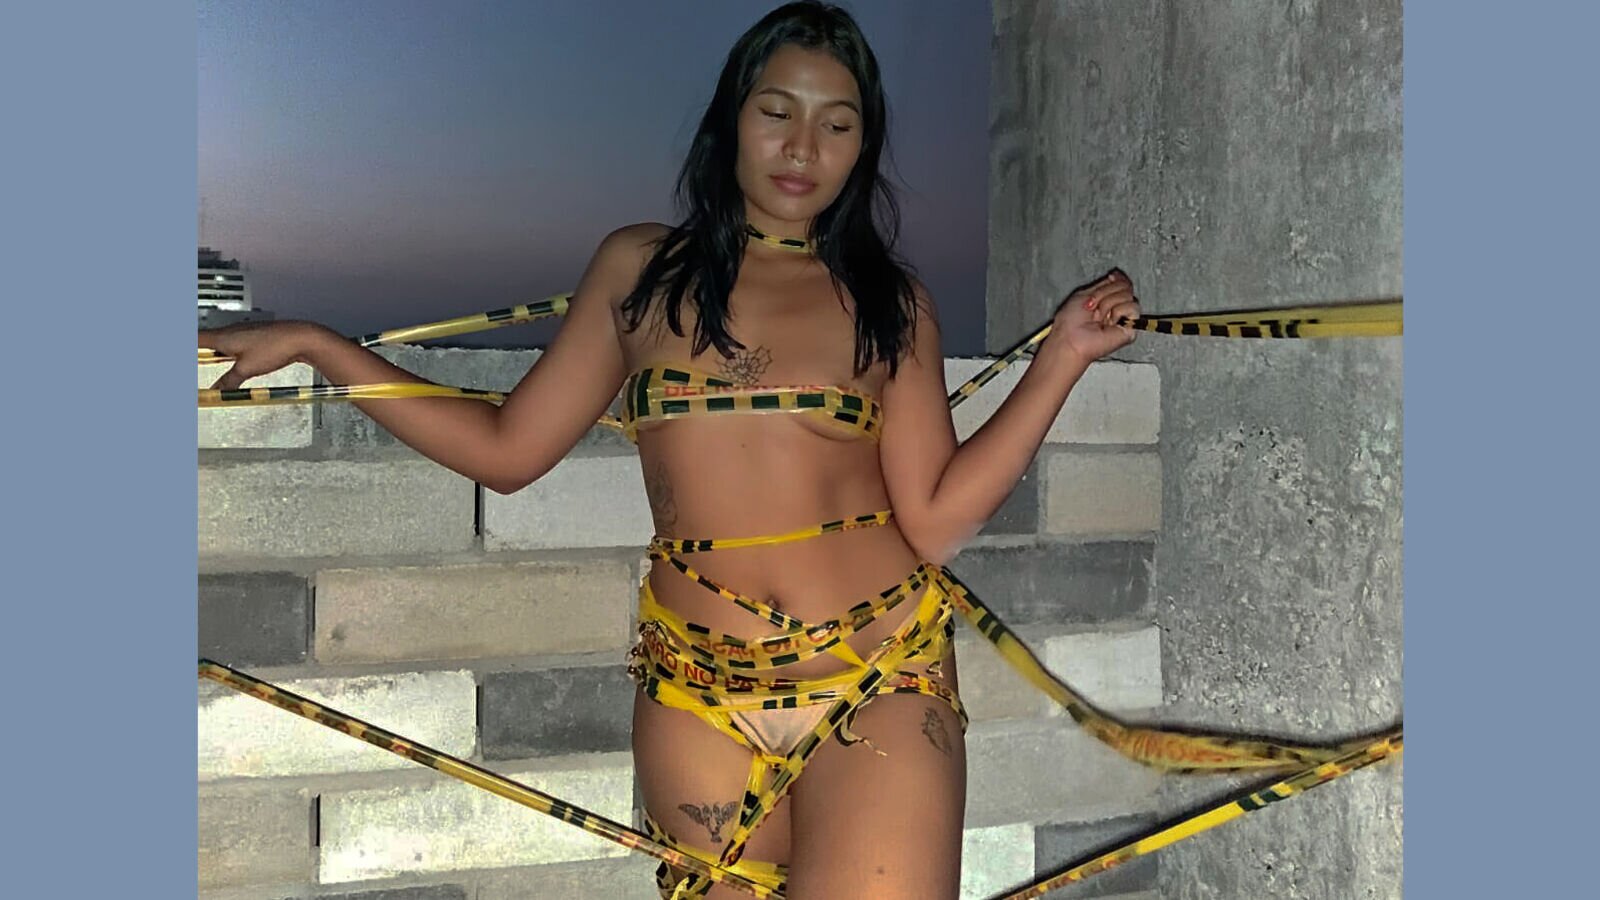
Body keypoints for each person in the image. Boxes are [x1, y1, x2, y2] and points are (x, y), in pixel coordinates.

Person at [199, 3, 1139, 897]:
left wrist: (1061, 356)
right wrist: (322, 347)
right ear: (731, 119)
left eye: (837, 125)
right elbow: (507, 452)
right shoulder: (640, 272)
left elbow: (934, 520)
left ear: (864, 146)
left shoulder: (890, 302)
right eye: (776, 112)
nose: (802, 147)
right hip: (698, 699)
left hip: (876, 679)